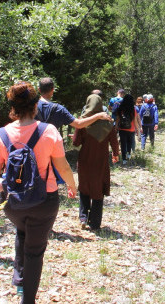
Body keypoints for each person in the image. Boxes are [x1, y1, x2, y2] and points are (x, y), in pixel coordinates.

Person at [0, 81, 77, 303]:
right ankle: (28, 298)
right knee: (34, 250)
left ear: (14, 108)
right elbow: (63, 167)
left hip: (13, 203)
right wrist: (73, 186)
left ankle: (20, 281)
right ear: (35, 106)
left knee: (22, 230)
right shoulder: (49, 131)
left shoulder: (1, 135)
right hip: (44, 201)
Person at [73, 94, 120, 230]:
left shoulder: (82, 122)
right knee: (98, 189)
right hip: (101, 161)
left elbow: (76, 143)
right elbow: (114, 143)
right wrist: (115, 155)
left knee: (84, 186)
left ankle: (83, 217)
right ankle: (95, 223)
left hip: (85, 160)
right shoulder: (108, 123)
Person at [36, 77, 111, 131]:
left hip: (30, 148)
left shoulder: (29, 106)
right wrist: (98, 116)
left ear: (39, 89)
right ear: (53, 90)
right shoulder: (59, 109)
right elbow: (78, 124)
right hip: (49, 147)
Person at [115, 94, 141, 165]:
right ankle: (129, 154)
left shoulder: (120, 109)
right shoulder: (133, 110)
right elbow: (135, 121)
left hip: (122, 129)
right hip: (131, 129)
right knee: (129, 142)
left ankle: (124, 159)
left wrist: (116, 128)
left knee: (123, 143)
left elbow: (117, 119)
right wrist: (138, 131)